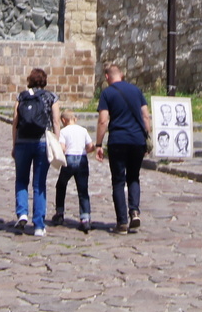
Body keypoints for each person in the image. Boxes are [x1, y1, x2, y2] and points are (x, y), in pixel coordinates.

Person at [96, 63, 151, 234]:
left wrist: (98, 144)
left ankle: (122, 223)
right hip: (137, 140)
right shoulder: (136, 91)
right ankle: (134, 211)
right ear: (122, 74)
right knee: (134, 177)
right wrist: (146, 137)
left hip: (118, 141)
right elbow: (145, 116)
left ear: (107, 77)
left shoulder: (107, 93)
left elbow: (103, 121)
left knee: (118, 181)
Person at [11, 68, 60, 236]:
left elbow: (15, 121)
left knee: (21, 180)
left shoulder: (22, 96)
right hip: (42, 143)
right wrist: (57, 143)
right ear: (44, 81)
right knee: (39, 184)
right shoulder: (51, 97)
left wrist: (14, 144)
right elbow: (56, 121)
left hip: (23, 142)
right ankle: (39, 225)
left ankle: (22, 213)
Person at [50, 110, 94, 232]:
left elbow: (63, 148)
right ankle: (85, 218)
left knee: (61, 185)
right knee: (83, 190)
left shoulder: (63, 131)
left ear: (63, 120)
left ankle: (59, 213)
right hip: (82, 158)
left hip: (69, 159)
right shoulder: (83, 130)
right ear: (74, 119)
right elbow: (90, 147)